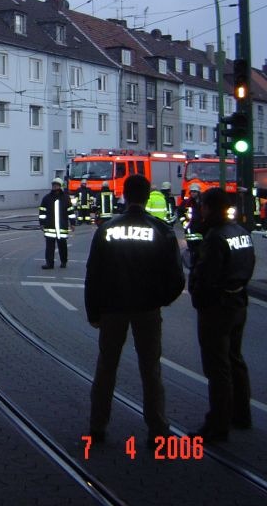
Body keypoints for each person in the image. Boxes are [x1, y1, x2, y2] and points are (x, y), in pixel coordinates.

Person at [85, 174, 185, 448]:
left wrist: (94, 312)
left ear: (125, 196)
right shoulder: (162, 230)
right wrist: (159, 300)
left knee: (106, 368)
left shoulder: (107, 229)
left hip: (112, 308)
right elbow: (177, 278)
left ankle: (97, 426)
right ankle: (158, 429)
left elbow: (93, 274)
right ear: (146, 196)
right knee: (150, 369)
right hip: (146, 309)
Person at [189, 187, 255, 443]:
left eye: (203, 206)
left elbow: (206, 276)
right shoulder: (241, 233)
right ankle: (242, 414)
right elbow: (249, 265)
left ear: (208, 207)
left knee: (217, 367)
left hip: (218, 308)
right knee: (235, 359)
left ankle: (218, 423)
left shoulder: (215, 238)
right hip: (238, 302)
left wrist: (198, 295)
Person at [38, 177, 76, 269]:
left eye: (56, 185)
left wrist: (72, 223)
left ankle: (63, 261)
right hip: (50, 227)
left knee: (62, 246)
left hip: (62, 227)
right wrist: (42, 223)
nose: (54, 187)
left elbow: (71, 212)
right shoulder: (46, 198)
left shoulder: (66, 198)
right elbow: (42, 212)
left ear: (60, 186)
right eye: (53, 185)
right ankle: (49, 263)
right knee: (49, 247)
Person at [178, 183, 204, 266]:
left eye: (195, 192)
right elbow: (180, 213)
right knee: (192, 249)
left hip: (200, 229)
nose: (193, 193)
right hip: (190, 229)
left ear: (198, 193)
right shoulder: (186, 203)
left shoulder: (202, 203)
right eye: (192, 192)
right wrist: (184, 223)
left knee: (200, 249)